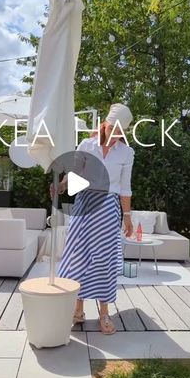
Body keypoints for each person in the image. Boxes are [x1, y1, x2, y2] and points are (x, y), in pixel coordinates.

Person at [50, 103, 135, 334]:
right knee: (78, 258)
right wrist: (62, 184)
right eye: (114, 128)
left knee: (103, 261)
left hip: (108, 208)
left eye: (121, 131)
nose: (117, 134)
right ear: (106, 124)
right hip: (85, 204)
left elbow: (125, 188)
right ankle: (78, 310)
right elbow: (75, 173)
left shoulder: (127, 153)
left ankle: (104, 313)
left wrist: (127, 217)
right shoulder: (87, 145)